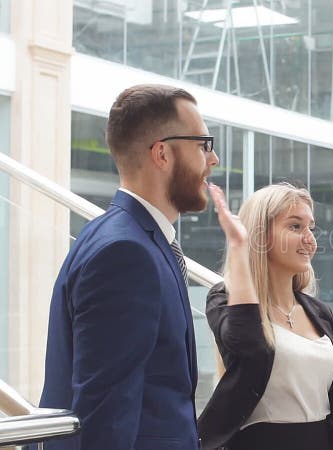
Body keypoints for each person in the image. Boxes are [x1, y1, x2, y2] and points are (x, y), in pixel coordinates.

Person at [39, 84, 219, 449]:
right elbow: (103, 414)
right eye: (203, 145)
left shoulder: (130, 239)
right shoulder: (125, 252)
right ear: (163, 154)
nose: (213, 160)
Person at [198, 183, 333, 450]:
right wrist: (238, 246)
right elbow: (250, 347)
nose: (309, 239)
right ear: (260, 235)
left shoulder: (320, 313)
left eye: (311, 228)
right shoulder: (225, 299)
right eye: (295, 227)